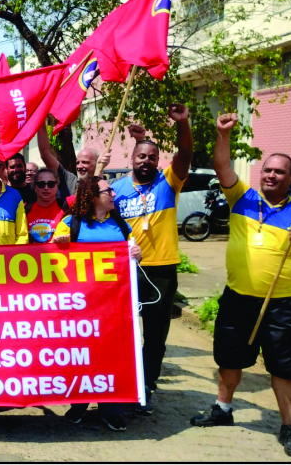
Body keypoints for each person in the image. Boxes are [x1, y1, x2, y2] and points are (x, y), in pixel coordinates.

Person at [188, 113, 291, 459]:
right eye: (267, 170)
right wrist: (222, 134)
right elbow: (222, 163)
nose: (271, 175)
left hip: (281, 305)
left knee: (283, 367)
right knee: (229, 359)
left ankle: (289, 426)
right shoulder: (242, 197)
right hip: (237, 299)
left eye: (279, 172)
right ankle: (222, 410)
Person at [112, 103, 193, 414]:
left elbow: (185, 154)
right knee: (123, 331)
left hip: (161, 270)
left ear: (158, 161)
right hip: (125, 271)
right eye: (141, 156)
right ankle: (125, 380)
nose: (146, 161)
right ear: (132, 159)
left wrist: (182, 124)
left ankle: (146, 383)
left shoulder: (168, 182)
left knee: (156, 334)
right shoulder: (118, 189)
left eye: (152, 157)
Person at [53, 176, 142, 431]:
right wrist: (59, 244)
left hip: (114, 307)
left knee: (112, 356)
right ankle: (79, 405)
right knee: (82, 356)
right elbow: (50, 257)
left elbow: (134, 257)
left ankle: (110, 409)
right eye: (108, 190)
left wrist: (136, 254)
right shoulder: (72, 223)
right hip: (81, 306)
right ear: (93, 196)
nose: (113, 193)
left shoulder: (121, 225)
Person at [36, 125, 111, 198]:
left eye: (85, 162)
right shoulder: (69, 181)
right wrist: (41, 122)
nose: (79, 166)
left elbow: (95, 195)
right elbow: (45, 154)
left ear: (97, 163)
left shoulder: (110, 185)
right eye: (77, 162)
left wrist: (99, 169)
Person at [25, 168, 68, 244]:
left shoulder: (66, 207)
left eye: (51, 184)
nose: (46, 188)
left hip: (59, 254)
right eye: (41, 184)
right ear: (35, 186)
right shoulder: (25, 209)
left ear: (57, 185)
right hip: (32, 255)